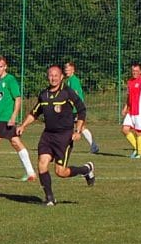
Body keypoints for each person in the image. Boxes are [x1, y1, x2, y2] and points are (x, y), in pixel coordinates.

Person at [16, 65, 95, 206]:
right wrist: (23, 126)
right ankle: (50, 198)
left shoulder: (67, 92)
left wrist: (77, 131)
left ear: (61, 77)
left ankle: (86, 169)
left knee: (61, 172)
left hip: (64, 136)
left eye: (56, 75)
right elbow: (34, 113)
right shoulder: (43, 94)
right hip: (48, 135)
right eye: (50, 75)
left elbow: (82, 109)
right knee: (42, 164)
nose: (53, 78)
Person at [64, 61, 99, 154]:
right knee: (80, 127)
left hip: (75, 108)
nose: (66, 71)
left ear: (73, 70)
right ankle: (93, 146)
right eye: (65, 69)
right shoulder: (68, 80)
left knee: (76, 127)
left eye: (68, 69)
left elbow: (75, 94)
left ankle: (93, 146)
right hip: (73, 108)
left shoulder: (73, 80)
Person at [121, 62, 141, 158]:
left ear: (140, 71)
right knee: (125, 129)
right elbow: (128, 96)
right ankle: (136, 148)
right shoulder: (129, 82)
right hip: (131, 110)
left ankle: (139, 153)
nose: (134, 73)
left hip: (140, 111)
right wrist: (125, 108)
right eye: (133, 71)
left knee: (138, 132)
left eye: (136, 71)